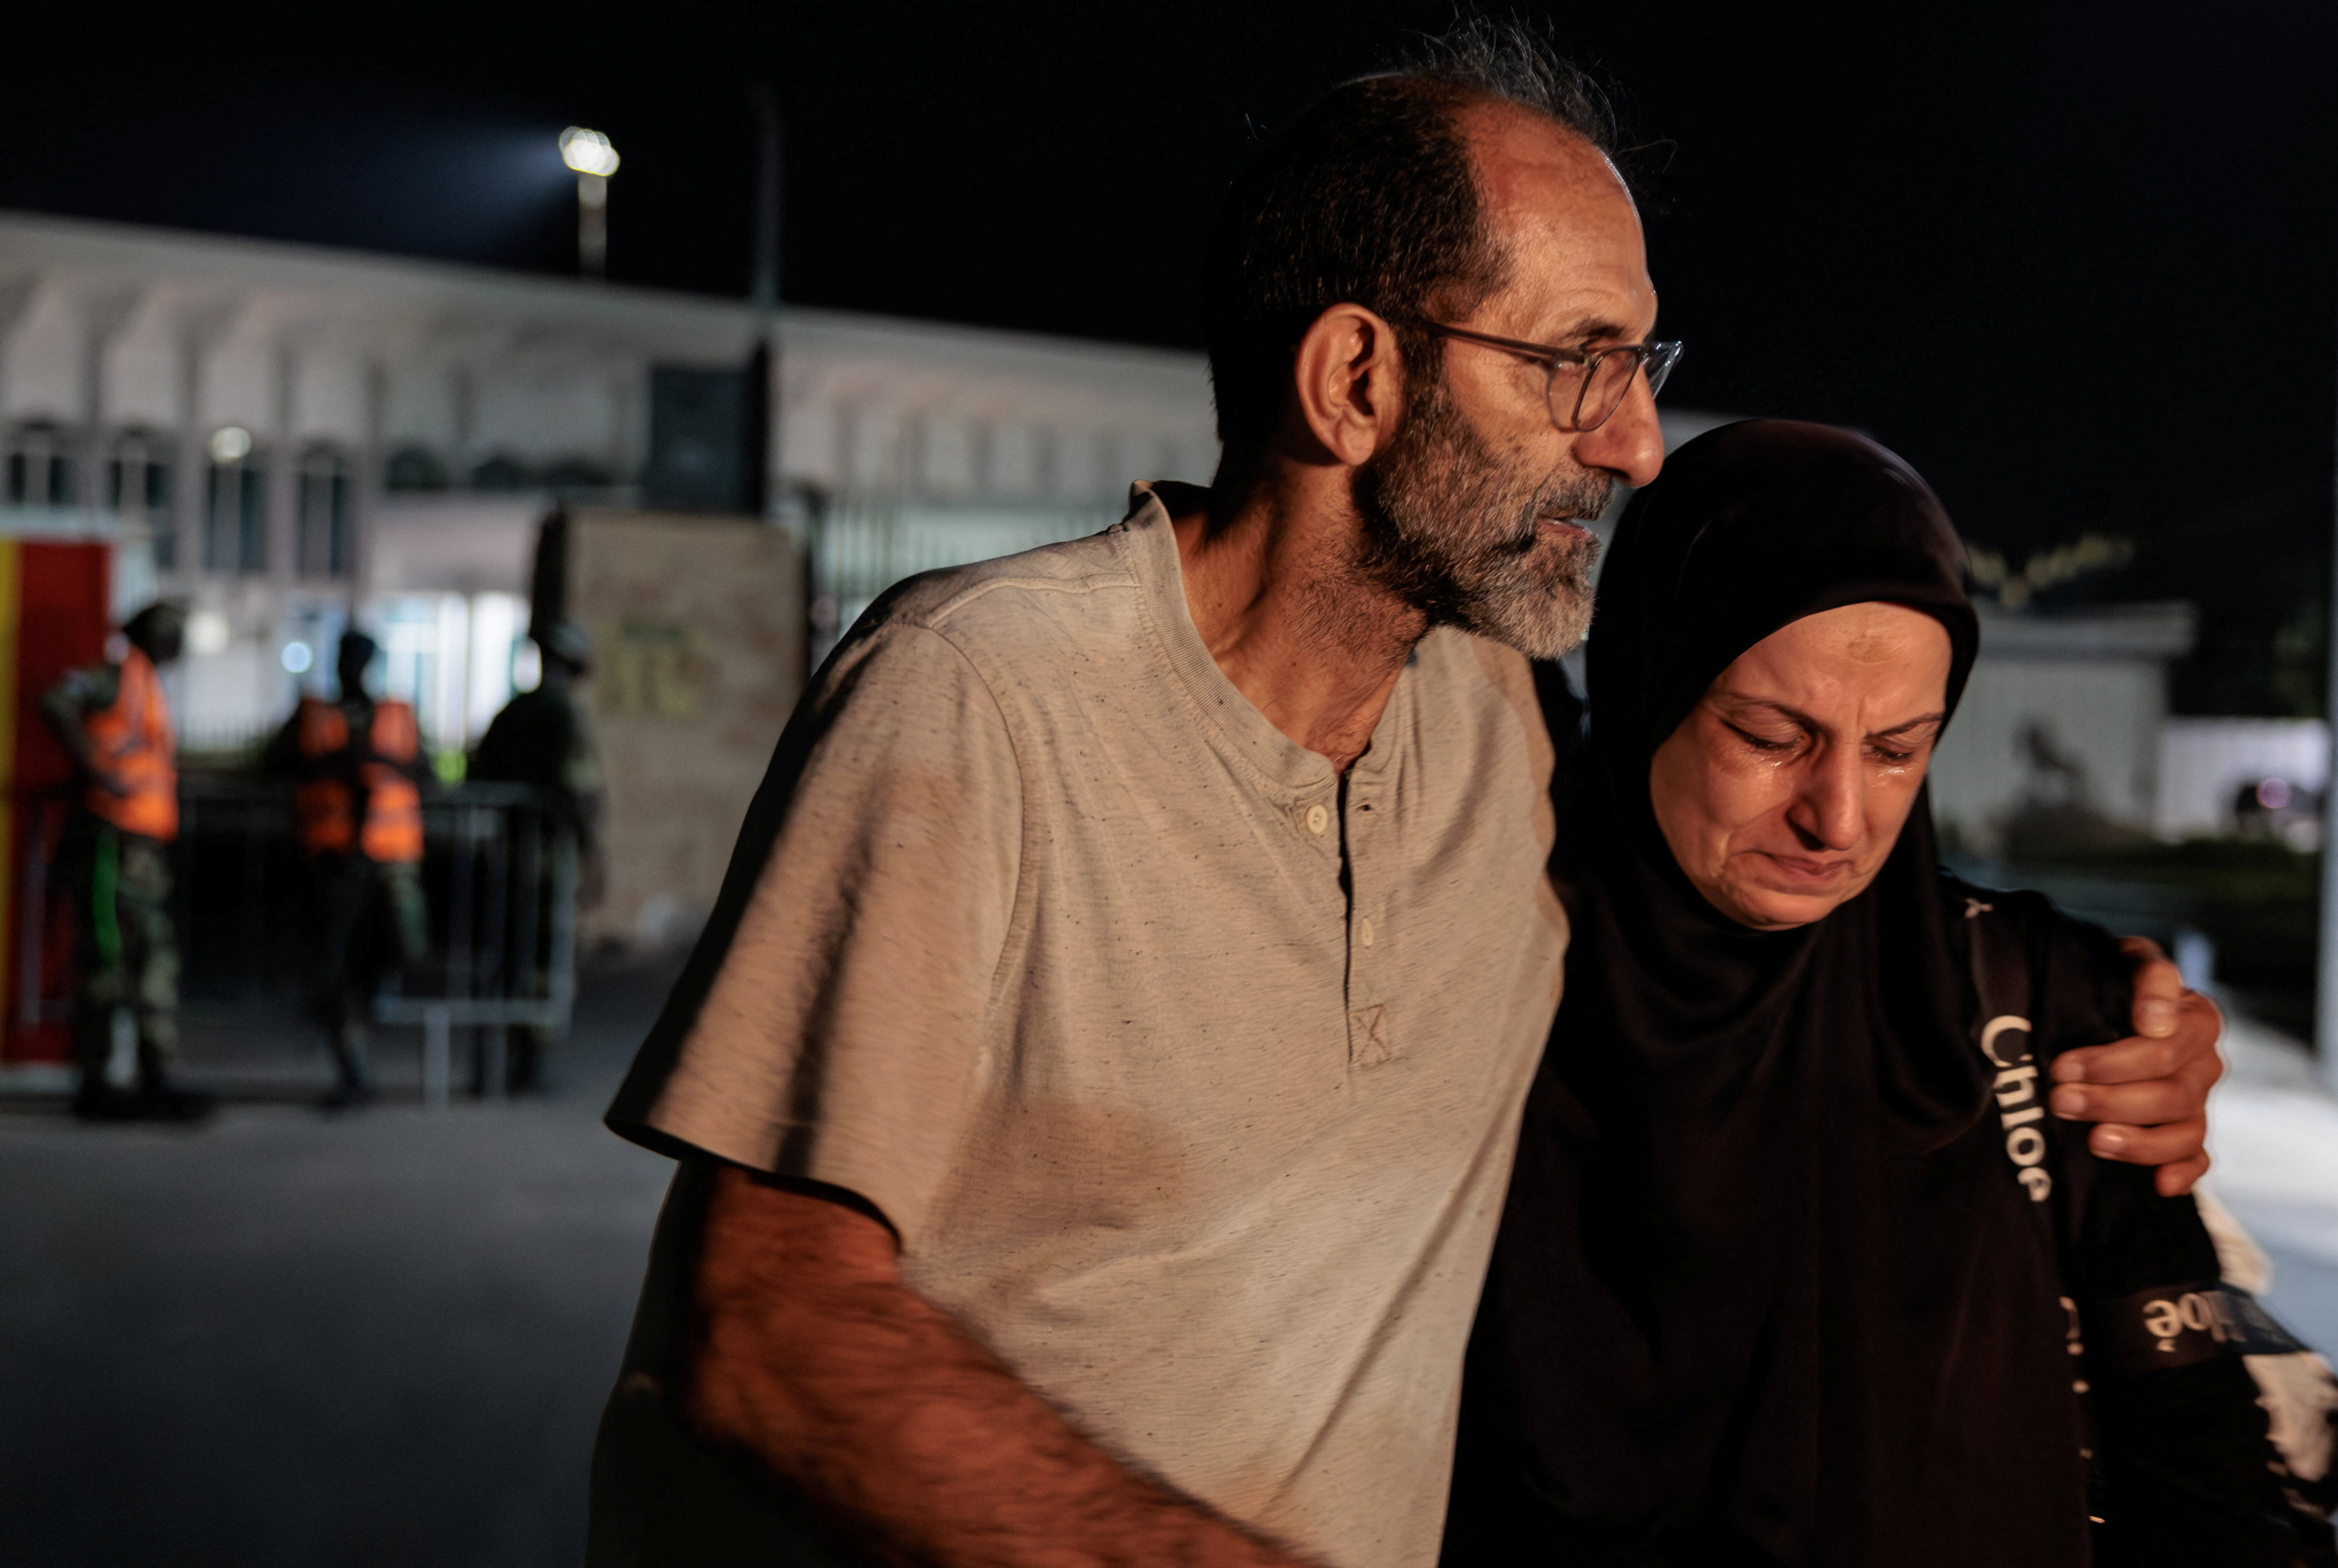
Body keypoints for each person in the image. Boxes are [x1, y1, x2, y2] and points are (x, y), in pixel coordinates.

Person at [588, 27, 2220, 1568]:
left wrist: (2093, 1012)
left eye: (1638, 363)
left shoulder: (1492, 720)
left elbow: (1746, 896)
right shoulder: (983, 692)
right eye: (1573, 365)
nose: (1638, 441)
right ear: (1355, 381)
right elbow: (767, 1321)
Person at [1443, 421, 2326, 1567]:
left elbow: (2200, 1476)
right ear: (1648, 676)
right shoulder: (1455, 989)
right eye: (1768, 735)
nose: (1839, 819)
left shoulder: (2043, 1008)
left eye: (1899, 750)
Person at [41, 600, 210, 1122]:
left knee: (149, 958)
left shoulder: (144, 684)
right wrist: (96, 772)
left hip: (139, 845)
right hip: (112, 839)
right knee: (109, 961)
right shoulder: (115, 677)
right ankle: (96, 1083)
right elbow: (54, 700)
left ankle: (151, 1076)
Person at [263, 628, 429, 1109]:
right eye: (344, 658)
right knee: (333, 968)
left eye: (358, 658)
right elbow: (273, 766)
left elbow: (428, 775)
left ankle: (373, 1000)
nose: (350, 667)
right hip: (332, 865)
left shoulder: (396, 716)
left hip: (390, 863)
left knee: (401, 948)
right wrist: (332, 765)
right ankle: (352, 1064)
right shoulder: (314, 716)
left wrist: (380, 763)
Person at [470, 619, 603, 1092]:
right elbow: (577, 790)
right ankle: (531, 1060)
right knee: (545, 954)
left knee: (507, 952)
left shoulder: (513, 711)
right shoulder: (562, 714)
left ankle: (493, 1061)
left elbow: (478, 770)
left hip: (507, 854)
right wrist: (594, 856)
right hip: (546, 857)